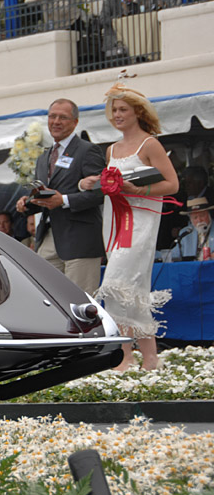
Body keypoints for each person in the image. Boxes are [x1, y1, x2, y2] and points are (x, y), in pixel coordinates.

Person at [80, 83, 179, 371]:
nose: (117, 114)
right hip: (114, 221)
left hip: (140, 222)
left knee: (114, 285)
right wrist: (90, 182)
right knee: (130, 289)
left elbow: (171, 184)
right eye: (114, 110)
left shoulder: (150, 144)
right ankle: (145, 357)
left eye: (123, 109)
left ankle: (127, 354)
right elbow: (112, 185)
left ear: (138, 112)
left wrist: (139, 190)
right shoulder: (112, 149)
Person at [16, 99, 106, 295]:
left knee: (81, 302)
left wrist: (63, 200)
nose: (56, 121)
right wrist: (28, 203)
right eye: (52, 116)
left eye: (63, 117)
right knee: (48, 297)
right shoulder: (43, 157)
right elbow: (46, 195)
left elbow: (100, 193)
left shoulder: (87, 150)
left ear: (75, 122)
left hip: (80, 240)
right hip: (48, 237)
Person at [166, 197, 213, 261]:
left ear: (209, 214)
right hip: (192, 269)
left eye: (202, 215)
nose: (199, 220)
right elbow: (173, 254)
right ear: (190, 219)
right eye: (195, 217)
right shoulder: (186, 233)